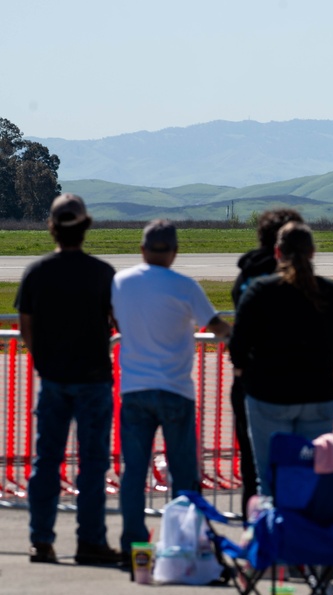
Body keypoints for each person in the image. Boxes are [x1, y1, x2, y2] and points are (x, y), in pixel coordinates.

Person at [113, 219, 231, 564]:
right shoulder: (185, 286)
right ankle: (184, 543)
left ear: (142, 249)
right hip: (176, 389)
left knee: (133, 472)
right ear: (175, 252)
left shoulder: (121, 282)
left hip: (134, 388)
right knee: (183, 473)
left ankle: (134, 547)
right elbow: (215, 326)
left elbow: (118, 320)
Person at [15, 193, 120, 566]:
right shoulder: (103, 273)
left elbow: (26, 325)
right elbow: (118, 322)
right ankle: (90, 540)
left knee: (47, 462)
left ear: (52, 228)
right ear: (86, 227)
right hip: (94, 378)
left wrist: (43, 359)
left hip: (55, 378)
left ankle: (41, 541)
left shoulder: (37, 272)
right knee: (93, 463)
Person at [228, 222, 333, 497]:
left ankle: (275, 534)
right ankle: (308, 535)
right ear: (312, 253)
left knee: (270, 478)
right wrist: (321, 361)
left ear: (277, 252)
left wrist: (250, 367)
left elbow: (238, 345)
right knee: (314, 472)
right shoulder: (331, 291)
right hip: (319, 393)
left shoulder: (261, 291)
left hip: (269, 395)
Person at [229, 208, 304, 520]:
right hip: (298, 378)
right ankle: (294, 528)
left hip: (252, 377)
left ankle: (256, 529)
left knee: (252, 461)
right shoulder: (299, 276)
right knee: (298, 461)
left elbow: (240, 333)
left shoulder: (247, 275)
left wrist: (242, 363)